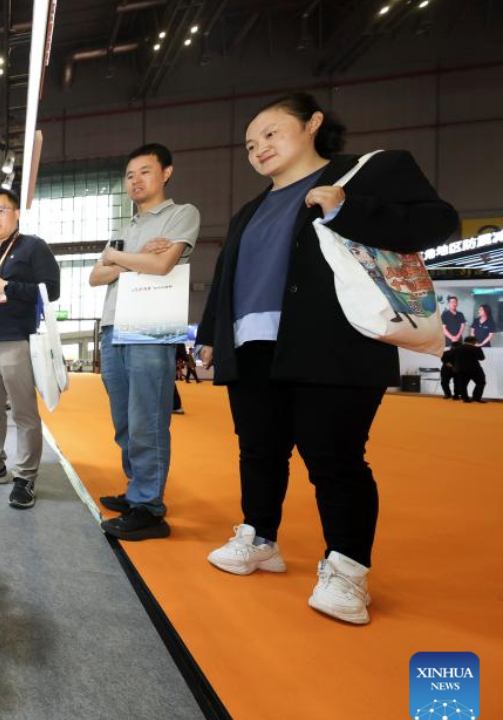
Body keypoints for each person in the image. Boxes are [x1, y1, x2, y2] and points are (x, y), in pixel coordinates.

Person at [195, 93, 457, 624]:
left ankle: (347, 570)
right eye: (250, 144)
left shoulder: (367, 173)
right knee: (258, 449)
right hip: (252, 346)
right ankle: (260, 536)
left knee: (333, 456)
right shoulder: (251, 210)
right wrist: (208, 335)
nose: (259, 148)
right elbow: (226, 279)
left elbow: (437, 222)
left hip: (333, 343)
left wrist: (345, 207)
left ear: (313, 123)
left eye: (270, 133)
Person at [89, 144, 200, 540]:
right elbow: (94, 277)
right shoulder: (125, 228)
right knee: (124, 420)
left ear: (166, 173)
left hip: (152, 325)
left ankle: (149, 508)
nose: (136, 181)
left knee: (148, 419)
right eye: (130, 174)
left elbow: (162, 264)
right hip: (113, 326)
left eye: (145, 172)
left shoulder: (181, 214)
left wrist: (117, 259)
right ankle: (138, 490)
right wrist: (132, 256)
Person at [0, 187, 61, 509]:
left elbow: (52, 290)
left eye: (1, 210)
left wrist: (9, 286)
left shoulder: (33, 247)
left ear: (16, 213)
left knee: (23, 413)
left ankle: (26, 477)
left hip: (16, 342)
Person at [454, 336, 487, 403]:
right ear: (474, 341)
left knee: (463, 385)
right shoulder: (476, 348)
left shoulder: (457, 348)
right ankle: (476, 398)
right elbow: (481, 358)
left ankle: (465, 399)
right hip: (475, 369)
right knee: (481, 382)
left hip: (461, 369)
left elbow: (452, 358)